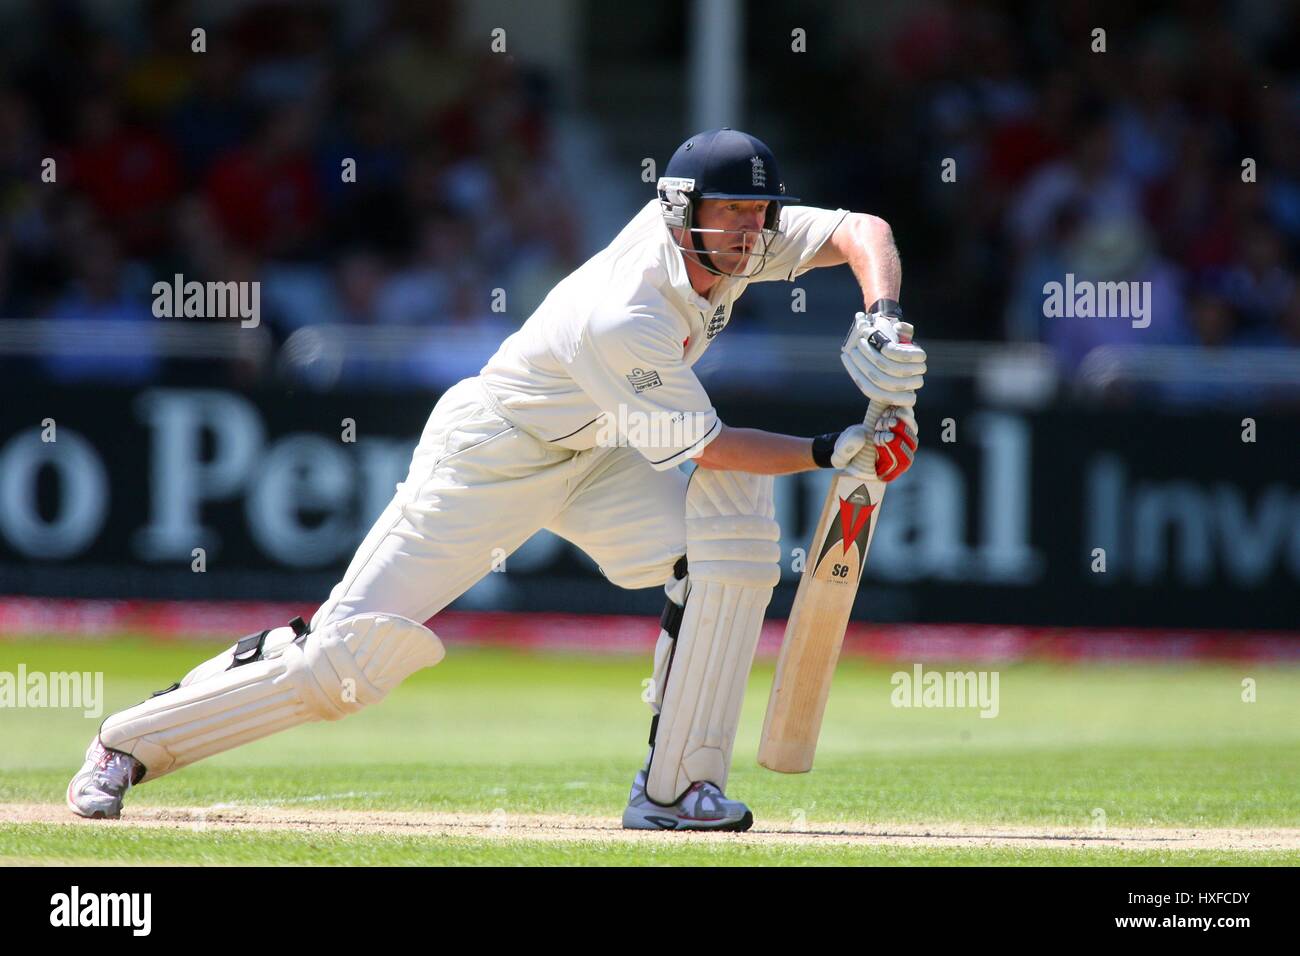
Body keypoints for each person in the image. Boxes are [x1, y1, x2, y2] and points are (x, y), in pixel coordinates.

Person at [67, 129, 927, 831]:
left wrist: (882, 320)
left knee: (730, 541)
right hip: (493, 454)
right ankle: (126, 745)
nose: (749, 232)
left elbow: (865, 231)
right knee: (343, 664)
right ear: (678, 211)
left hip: (597, 454)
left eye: (759, 212)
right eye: (731, 211)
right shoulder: (625, 310)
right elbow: (706, 446)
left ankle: (675, 794)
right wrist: (832, 449)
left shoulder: (738, 242)